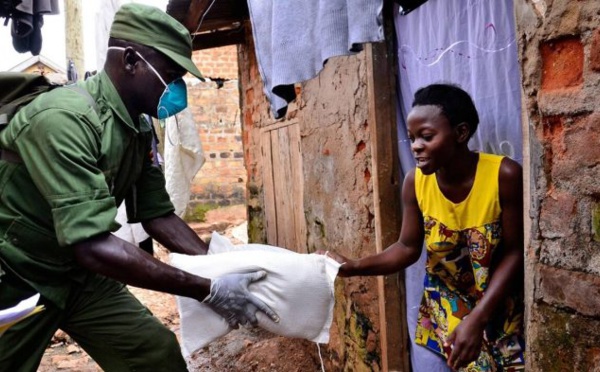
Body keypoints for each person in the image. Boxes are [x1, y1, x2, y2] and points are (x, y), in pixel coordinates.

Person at [0, 4, 278, 371]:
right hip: (18, 275)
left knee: (155, 356)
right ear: (131, 61)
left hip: (78, 278)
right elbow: (93, 246)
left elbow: (157, 214)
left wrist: (217, 268)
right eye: (170, 74)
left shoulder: (138, 128)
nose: (177, 88)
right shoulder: (63, 120)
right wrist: (205, 289)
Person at [323, 84, 525, 371]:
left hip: (497, 308)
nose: (416, 145)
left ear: (461, 133)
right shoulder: (415, 182)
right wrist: (353, 266)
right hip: (444, 309)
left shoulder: (503, 175)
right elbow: (407, 247)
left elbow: (515, 253)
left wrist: (478, 318)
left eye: (426, 136)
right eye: (412, 138)